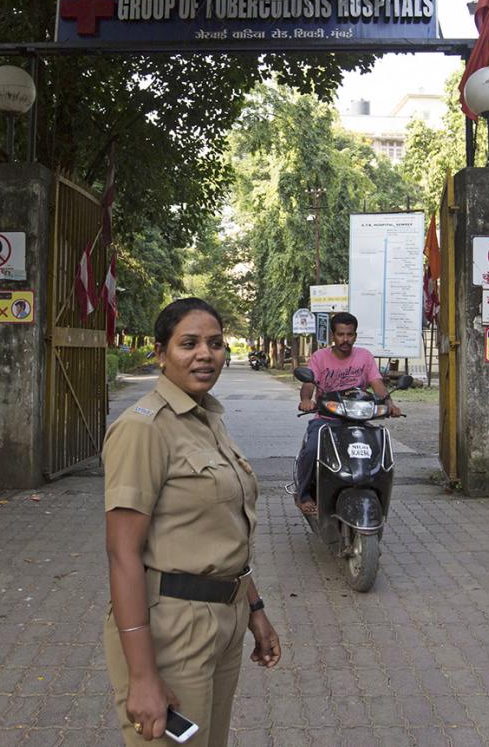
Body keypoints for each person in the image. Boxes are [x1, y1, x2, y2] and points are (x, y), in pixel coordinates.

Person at [103, 298, 280, 744]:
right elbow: (122, 553)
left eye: (215, 343)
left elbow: (224, 529)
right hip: (172, 629)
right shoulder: (144, 428)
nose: (206, 353)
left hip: (226, 617)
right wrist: (142, 676)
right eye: (189, 343)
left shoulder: (208, 419)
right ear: (161, 353)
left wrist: (255, 610)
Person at [294, 312, 399, 516]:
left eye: (350, 335)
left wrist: (390, 403)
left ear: (355, 336)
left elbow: (377, 383)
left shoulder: (365, 356)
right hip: (327, 419)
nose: (345, 339)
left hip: (359, 420)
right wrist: (306, 400)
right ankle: (304, 493)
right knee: (312, 448)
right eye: (341, 334)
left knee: (378, 448)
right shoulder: (320, 357)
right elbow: (308, 383)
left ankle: (373, 489)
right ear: (333, 335)